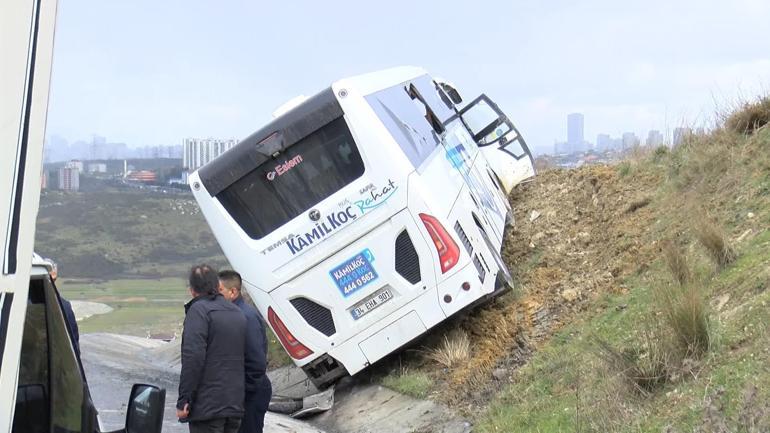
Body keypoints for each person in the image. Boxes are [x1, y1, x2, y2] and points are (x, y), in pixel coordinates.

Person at [177, 264, 247, 433]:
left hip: (207, 408)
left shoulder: (199, 311)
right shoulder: (237, 312)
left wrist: (184, 399)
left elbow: (193, 358)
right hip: (234, 405)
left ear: (192, 290)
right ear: (217, 286)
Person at [218, 270, 272, 433]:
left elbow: (256, 361)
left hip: (250, 395)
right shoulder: (232, 314)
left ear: (233, 292)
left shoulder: (245, 317)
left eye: (219, 291)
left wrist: (242, 393)